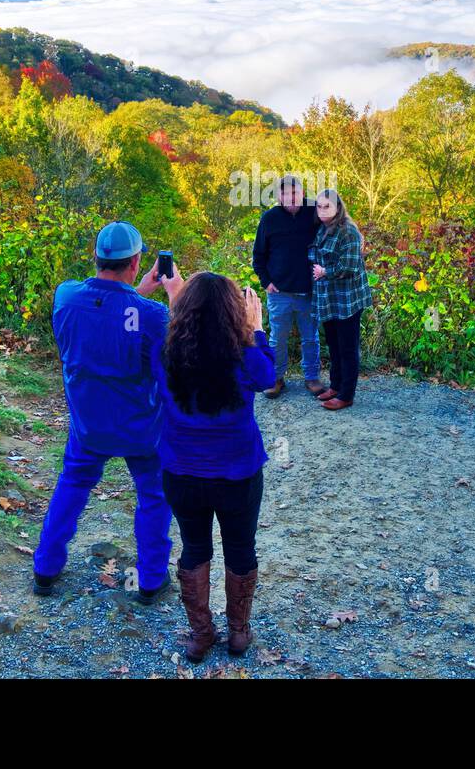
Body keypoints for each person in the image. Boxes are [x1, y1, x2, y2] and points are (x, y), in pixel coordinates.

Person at [32, 221, 184, 604]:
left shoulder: (66, 297)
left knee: (72, 484)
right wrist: (175, 297)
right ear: (136, 262)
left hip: (89, 424)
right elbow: (175, 359)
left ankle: (45, 568)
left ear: (97, 257)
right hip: (141, 429)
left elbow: (104, 311)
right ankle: (150, 579)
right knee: (152, 494)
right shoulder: (150, 314)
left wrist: (136, 292)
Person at [155, 273, 274, 662]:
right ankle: (238, 633)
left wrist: (176, 303)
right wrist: (257, 330)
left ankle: (200, 634)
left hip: (182, 472)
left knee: (194, 547)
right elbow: (268, 377)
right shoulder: (244, 356)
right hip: (237, 473)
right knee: (240, 547)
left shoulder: (166, 351)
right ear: (234, 312)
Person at [251, 174, 323, 399]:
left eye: (295, 192)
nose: (290, 197)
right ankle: (276, 378)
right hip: (279, 292)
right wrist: (267, 282)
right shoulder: (270, 219)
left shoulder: (314, 212)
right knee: (277, 338)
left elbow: (337, 223)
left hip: (309, 290)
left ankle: (312, 378)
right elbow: (258, 256)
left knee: (310, 337)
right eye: (285, 193)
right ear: (279, 196)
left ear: (302, 193)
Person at [309, 189, 372, 410]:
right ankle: (335, 385)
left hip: (348, 299)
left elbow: (350, 266)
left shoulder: (349, 232)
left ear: (338, 207)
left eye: (327, 206)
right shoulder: (323, 229)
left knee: (347, 347)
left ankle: (346, 394)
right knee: (333, 345)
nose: (322, 210)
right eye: (319, 206)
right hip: (329, 299)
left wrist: (325, 271)